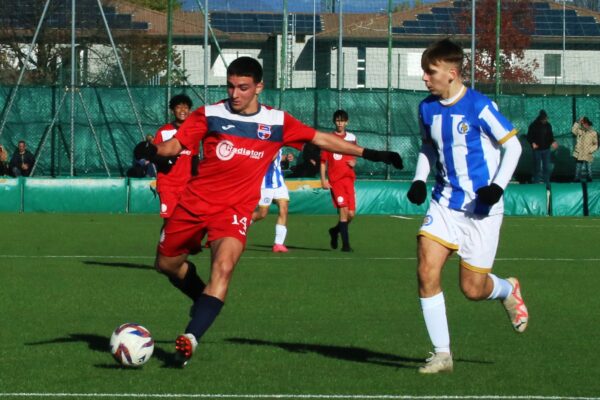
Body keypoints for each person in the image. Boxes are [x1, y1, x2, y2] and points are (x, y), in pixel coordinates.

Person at [134, 56, 403, 367]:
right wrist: (153, 150)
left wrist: (371, 152)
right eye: (231, 86)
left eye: (243, 88)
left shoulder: (277, 122)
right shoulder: (209, 115)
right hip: (194, 204)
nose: (235, 94)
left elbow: (321, 138)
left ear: (259, 87)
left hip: (234, 210)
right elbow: (175, 146)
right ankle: (200, 298)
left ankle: (191, 339)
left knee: (223, 269)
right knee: (166, 264)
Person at [406, 39, 527, 374]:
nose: (425, 79)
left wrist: (496, 189)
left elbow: (513, 147)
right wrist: (419, 179)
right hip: (444, 202)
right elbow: (428, 148)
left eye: (430, 72)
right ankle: (442, 354)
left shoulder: (479, 105)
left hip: (481, 209)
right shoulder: (426, 108)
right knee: (425, 269)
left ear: (452, 73)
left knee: (472, 290)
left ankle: (506, 288)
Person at [153, 94, 198, 218]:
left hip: (187, 185)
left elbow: (195, 158)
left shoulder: (194, 131)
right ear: (173, 110)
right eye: (179, 107)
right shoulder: (163, 131)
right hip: (168, 184)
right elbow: (154, 156)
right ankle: (164, 238)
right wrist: (166, 160)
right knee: (169, 221)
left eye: (186, 107)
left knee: (186, 221)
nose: (183, 111)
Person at [320, 109, 357, 252]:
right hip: (336, 181)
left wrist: (354, 162)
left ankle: (335, 231)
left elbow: (355, 153)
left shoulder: (352, 137)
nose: (340, 123)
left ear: (347, 122)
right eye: (337, 120)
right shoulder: (328, 139)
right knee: (343, 210)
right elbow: (323, 161)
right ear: (334, 122)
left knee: (351, 214)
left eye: (342, 121)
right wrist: (323, 180)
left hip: (349, 180)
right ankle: (346, 245)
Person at [251, 149, 291, 253]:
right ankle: (239, 225)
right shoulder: (264, 141)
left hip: (279, 183)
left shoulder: (279, 140)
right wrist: (273, 152)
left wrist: (285, 157)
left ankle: (278, 244)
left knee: (284, 209)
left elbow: (277, 158)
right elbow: (267, 158)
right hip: (266, 183)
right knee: (262, 214)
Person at [527, 109, 558, 189]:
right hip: (537, 150)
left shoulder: (548, 125)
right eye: (544, 119)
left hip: (546, 149)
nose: (546, 120)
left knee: (546, 167)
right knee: (537, 167)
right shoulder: (533, 125)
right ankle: (536, 184)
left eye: (546, 119)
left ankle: (547, 184)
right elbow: (529, 136)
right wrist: (532, 143)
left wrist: (553, 142)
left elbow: (550, 136)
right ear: (541, 118)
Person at [571, 116, 598, 182]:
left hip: (587, 152)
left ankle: (589, 177)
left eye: (585, 124)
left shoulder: (593, 133)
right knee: (578, 166)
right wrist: (577, 122)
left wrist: (590, 150)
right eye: (582, 124)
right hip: (579, 152)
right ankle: (577, 178)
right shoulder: (579, 130)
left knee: (589, 166)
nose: (584, 126)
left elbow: (596, 144)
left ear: (588, 124)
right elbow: (573, 130)